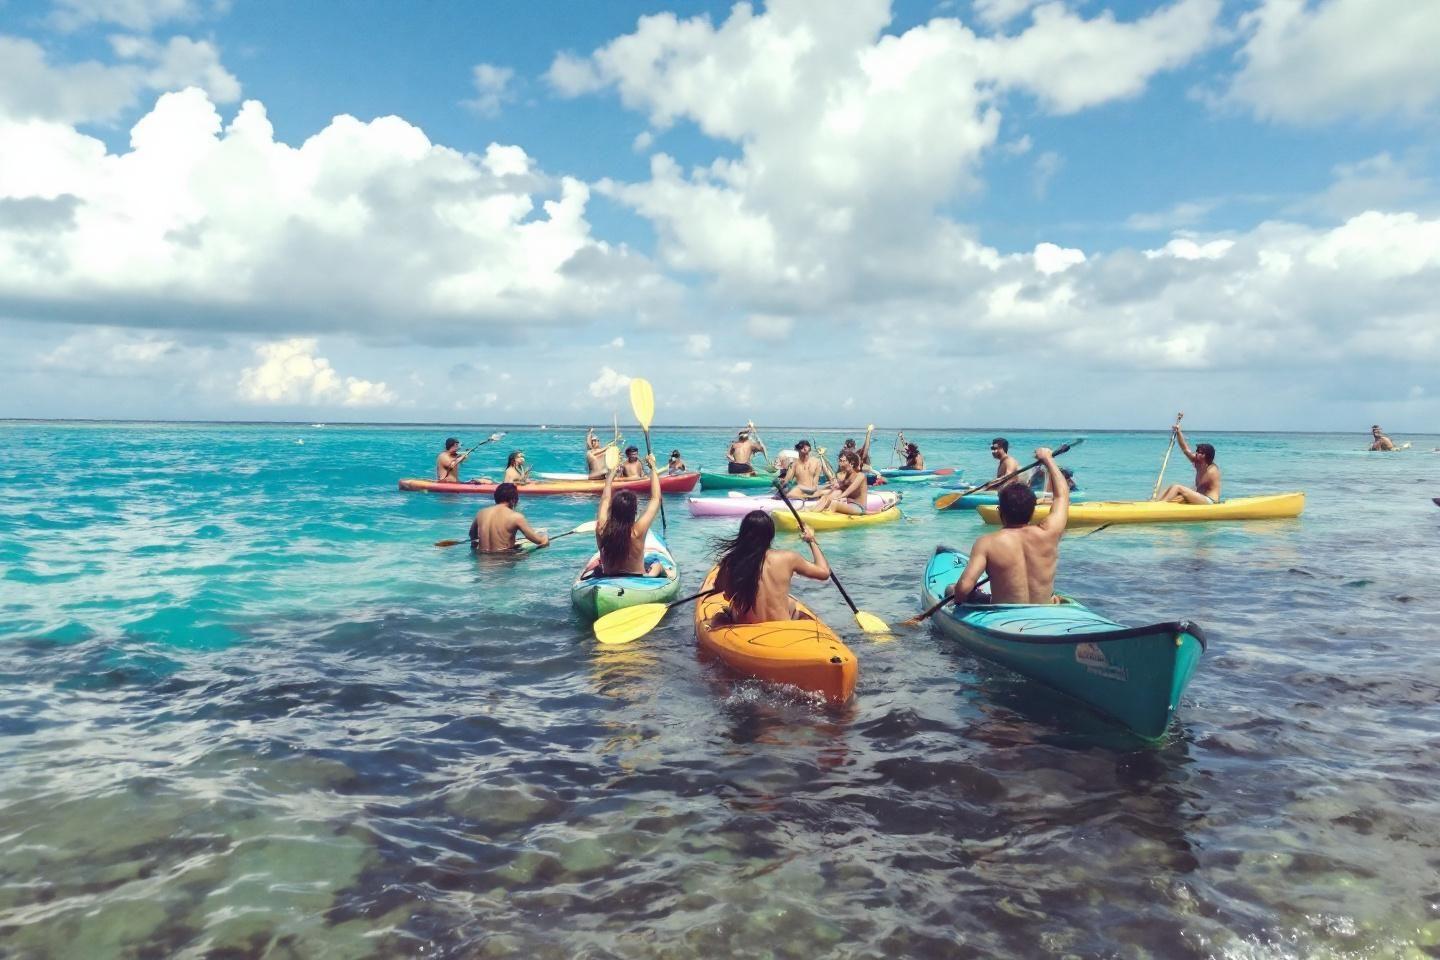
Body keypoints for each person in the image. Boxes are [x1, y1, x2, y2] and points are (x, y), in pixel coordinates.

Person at [945, 447, 1070, 605]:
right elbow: (1062, 496)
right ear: (1032, 511)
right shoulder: (1049, 533)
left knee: (951, 589)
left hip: (1005, 613)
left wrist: (959, 595)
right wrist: (1048, 459)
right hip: (1042, 609)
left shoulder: (987, 543)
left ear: (1000, 512)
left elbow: (963, 590)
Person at [712, 511, 830, 624]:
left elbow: (720, 589)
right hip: (781, 624)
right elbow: (824, 572)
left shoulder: (731, 561)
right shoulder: (788, 557)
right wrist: (811, 540)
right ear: (771, 535)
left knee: (720, 615)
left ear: (743, 534)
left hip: (745, 626)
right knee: (791, 604)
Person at [591, 455, 665, 577]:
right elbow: (656, 499)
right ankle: (652, 574)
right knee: (657, 565)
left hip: (608, 577)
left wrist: (610, 476)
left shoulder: (602, 529)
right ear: (634, 512)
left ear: (612, 509)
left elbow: (605, 499)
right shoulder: (637, 532)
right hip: (637, 580)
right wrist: (653, 468)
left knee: (597, 567)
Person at [468, 483, 548, 553]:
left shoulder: (481, 513)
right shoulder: (516, 517)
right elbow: (538, 541)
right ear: (513, 500)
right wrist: (545, 538)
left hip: (481, 559)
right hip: (504, 559)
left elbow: (472, 535)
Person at [1154, 425, 1221, 503]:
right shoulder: (1198, 463)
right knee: (1172, 488)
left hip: (1210, 501)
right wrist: (1178, 432)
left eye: (1200, 452)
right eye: (1197, 451)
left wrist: (1185, 493)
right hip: (1200, 498)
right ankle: (1157, 502)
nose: (1197, 453)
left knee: (1177, 487)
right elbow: (1185, 449)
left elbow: (1200, 487)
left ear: (1207, 455)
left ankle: (1160, 505)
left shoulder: (1212, 470)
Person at [813, 450, 868, 514]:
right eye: (840, 461)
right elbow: (834, 488)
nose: (841, 464)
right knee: (826, 497)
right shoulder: (844, 477)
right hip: (849, 504)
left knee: (835, 503)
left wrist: (838, 498)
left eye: (843, 461)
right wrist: (826, 495)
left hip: (859, 507)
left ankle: (825, 517)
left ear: (851, 463)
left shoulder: (861, 476)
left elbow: (849, 490)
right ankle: (813, 513)